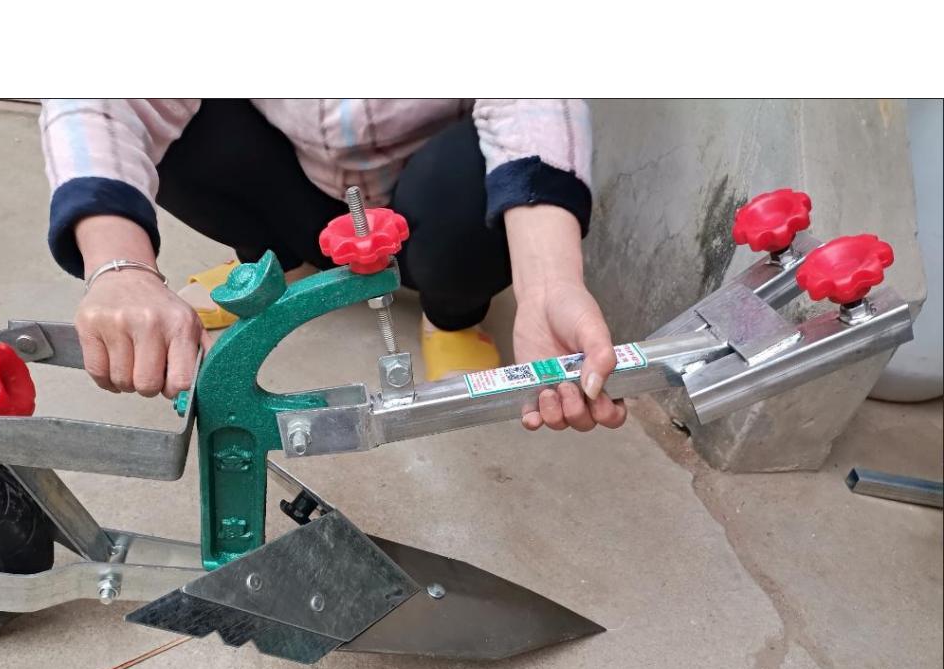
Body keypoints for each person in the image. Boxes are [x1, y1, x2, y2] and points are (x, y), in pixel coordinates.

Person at [39, 99, 626, 433]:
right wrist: (121, 267)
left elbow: (530, 98)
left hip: (429, 197)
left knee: (473, 191)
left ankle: (453, 314)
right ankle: (274, 266)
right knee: (180, 127)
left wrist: (547, 283)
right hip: (296, 178)